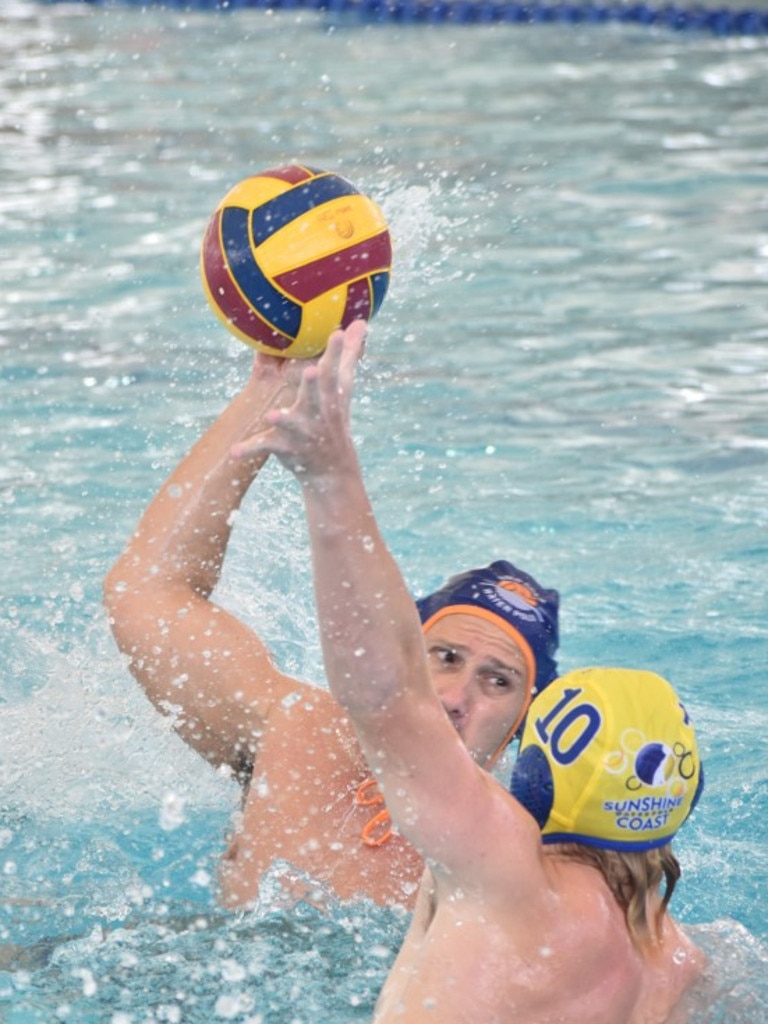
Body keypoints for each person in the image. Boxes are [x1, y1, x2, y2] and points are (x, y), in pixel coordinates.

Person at [241, 319, 705, 1024]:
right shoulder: (676, 960)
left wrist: (330, 478)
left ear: (538, 770)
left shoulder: (504, 869)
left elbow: (388, 695)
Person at [103, 342, 559, 911]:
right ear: (400, 655)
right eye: (445, 657)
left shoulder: (521, 861)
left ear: (523, 720)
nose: (457, 698)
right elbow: (146, 588)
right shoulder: (294, 732)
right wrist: (270, 394)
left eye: (498, 682)